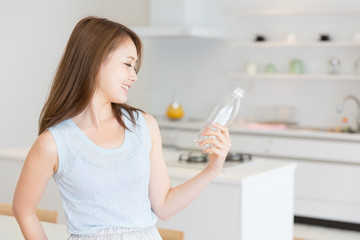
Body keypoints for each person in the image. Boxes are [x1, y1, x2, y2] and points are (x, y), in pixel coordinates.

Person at [12, 16, 231, 240]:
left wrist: (212, 169)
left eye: (135, 68)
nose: (134, 76)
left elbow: (164, 206)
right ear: (95, 60)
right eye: (127, 64)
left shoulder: (144, 126)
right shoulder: (53, 143)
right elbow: (23, 209)